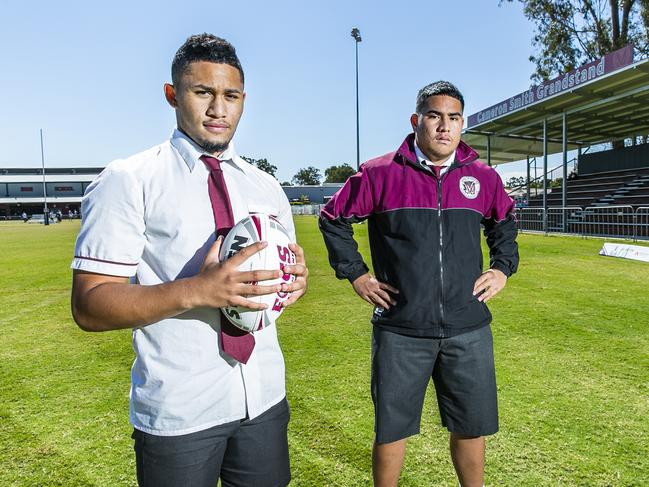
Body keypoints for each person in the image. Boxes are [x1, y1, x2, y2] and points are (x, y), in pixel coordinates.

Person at [70, 34, 308, 487]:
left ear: (243, 100)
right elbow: (90, 305)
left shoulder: (266, 186)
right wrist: (199, 290)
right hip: (181, 410)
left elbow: (278, 272)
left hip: (263, 399)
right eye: (203, 92)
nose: (219, 109)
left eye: (231, 96)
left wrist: (293, 281)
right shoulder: (130, 179)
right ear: (172, 94)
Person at [319, 81, 518, 487]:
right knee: (392, 428)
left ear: (462, 124)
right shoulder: (379, 173)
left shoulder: (482, 177)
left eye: (454, 118)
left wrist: (502, 268)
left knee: (470, 425)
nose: (444, 126)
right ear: (416, 121)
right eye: (434, 116)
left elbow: (505, 224)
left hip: (468, 327)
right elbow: (333, 218)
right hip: (401, 328)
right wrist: (356, 274)